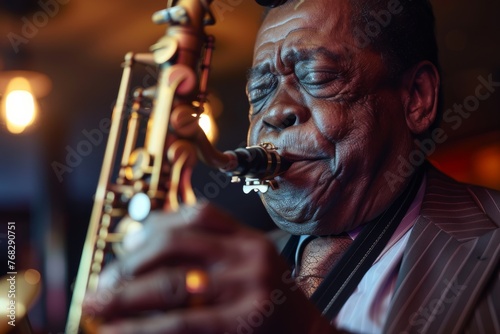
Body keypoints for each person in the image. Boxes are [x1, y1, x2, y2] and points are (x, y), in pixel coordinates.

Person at [82, 0, 500, 333]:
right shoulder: (232, 271)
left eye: (317, 75)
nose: (275, 112)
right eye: (260, 91)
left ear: (417, 98)